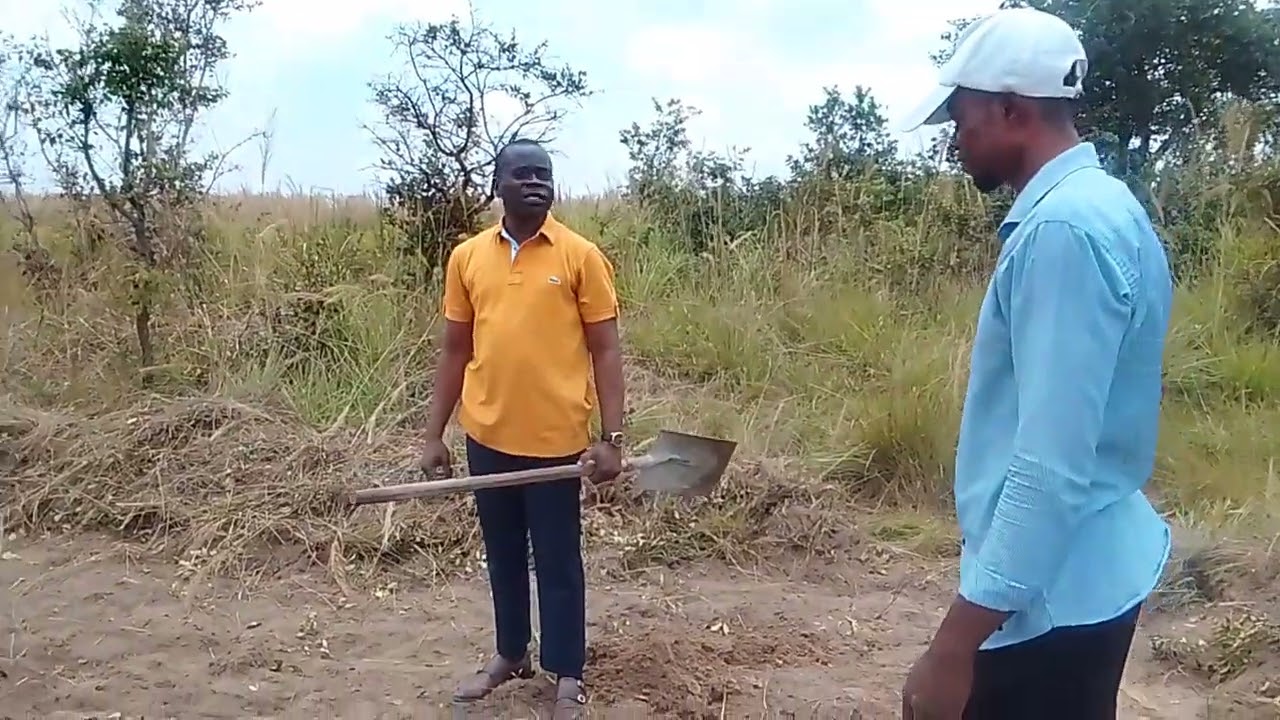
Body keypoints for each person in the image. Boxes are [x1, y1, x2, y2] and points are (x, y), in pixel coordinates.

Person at [895, 8, 1173, 720]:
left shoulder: (1061, 233)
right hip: (1091, 573)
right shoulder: (1107, 206)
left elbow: (1048, 467)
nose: (955, 139)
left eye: (962, 118)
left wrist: (953, 647)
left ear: (1011, 110)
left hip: (1049, 602)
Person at [417, 137, 626, 719]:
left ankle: (567, 673)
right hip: (486, 435)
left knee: (559, 560)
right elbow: (455, 349)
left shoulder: (581, 257)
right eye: (523, 174)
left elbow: (605, 350)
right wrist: (435, 434)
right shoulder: (467, 258)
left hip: (557, 442)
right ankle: (511, 654)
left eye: (545, 175)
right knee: (502, 554)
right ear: (498, 185)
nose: (536, 183)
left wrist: (612, 439)